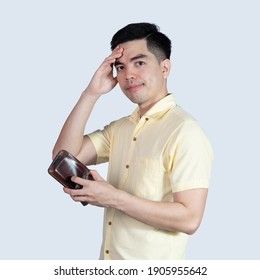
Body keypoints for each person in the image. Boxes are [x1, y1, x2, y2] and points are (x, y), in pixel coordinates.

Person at [52, 22, 214, 260]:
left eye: (139, 63)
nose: (128, 74)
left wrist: (114, 198)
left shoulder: (185, 131)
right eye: (120, 66)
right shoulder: (120, 129)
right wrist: (91, 94)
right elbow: (63, 156)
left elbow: (189, 219)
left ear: (165, 67)